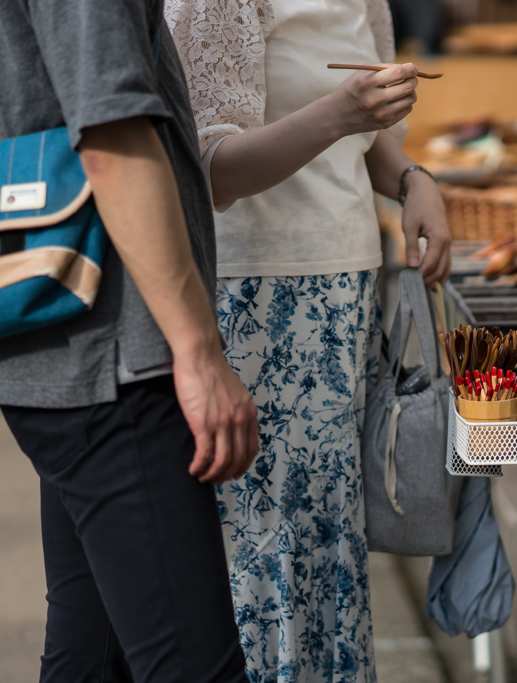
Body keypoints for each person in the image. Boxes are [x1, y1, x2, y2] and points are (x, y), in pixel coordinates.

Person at [164, 0, 452, 680]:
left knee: (329, 558)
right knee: (267, 563)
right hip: (260, 299)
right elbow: (209, 168)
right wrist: (339, 113)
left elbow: (367, 130)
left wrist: (414, 180)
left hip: (342, 293)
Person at [0, 1, 259, 681]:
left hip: (68, 343)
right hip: (116, 348)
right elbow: (111, 131)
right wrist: (199, 352)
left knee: (92, 658)